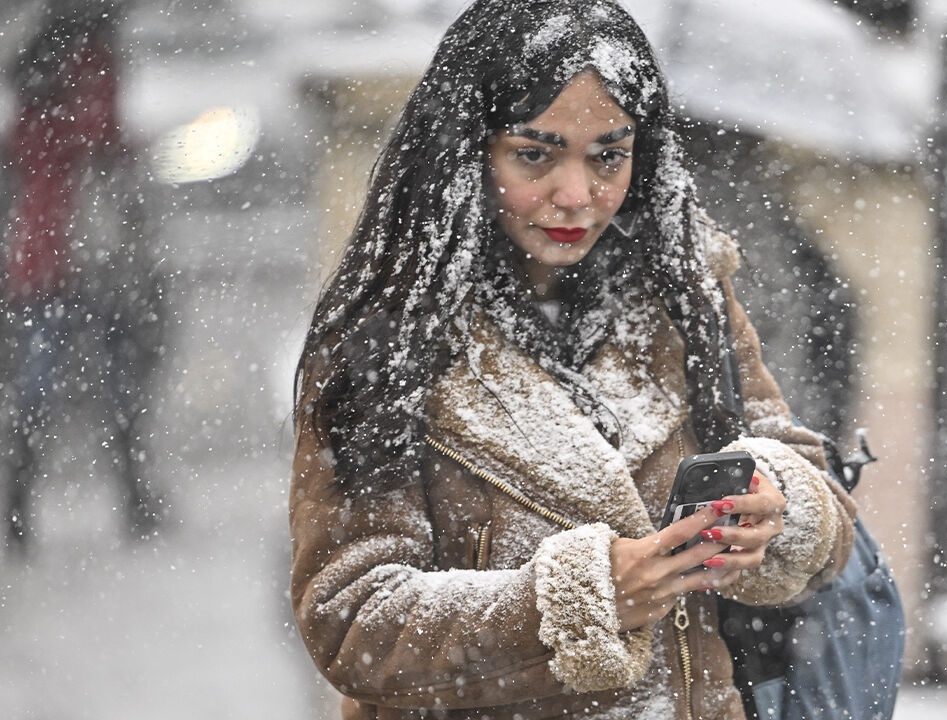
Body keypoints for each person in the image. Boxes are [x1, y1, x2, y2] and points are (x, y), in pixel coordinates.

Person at [290, 1, 857, 717]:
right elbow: (351, 621)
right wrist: (581, 599)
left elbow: (810, 487)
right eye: (535, 153)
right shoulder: (383, 336)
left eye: (608, 156)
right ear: (469, 153)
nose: (576, 195)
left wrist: (778, 510)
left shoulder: (684, 294)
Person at [3, 5, 164, 550]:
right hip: (80, 255)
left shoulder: (38, 78)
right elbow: (100, 143)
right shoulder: (87, 64)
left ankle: (22, 505)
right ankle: (129, 497)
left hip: (50, 255)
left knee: (50, 382)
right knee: (108, 379)